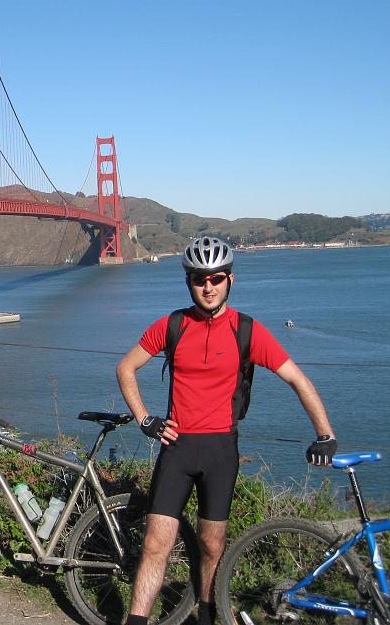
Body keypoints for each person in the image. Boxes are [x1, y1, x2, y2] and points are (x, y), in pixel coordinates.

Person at [116, 236, 336, 625]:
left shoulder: (246, 331)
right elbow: (126, 367)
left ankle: (206, 614)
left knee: (211, 543)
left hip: (220, 450)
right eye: (200, 278)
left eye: (216, 278)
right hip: (177, 448)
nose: (208, 286)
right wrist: (145, 418)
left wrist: (325, 435)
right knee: (155, 543)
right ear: (189, 282)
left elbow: (298, 380)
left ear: (229, 281)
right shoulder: (173, 325)